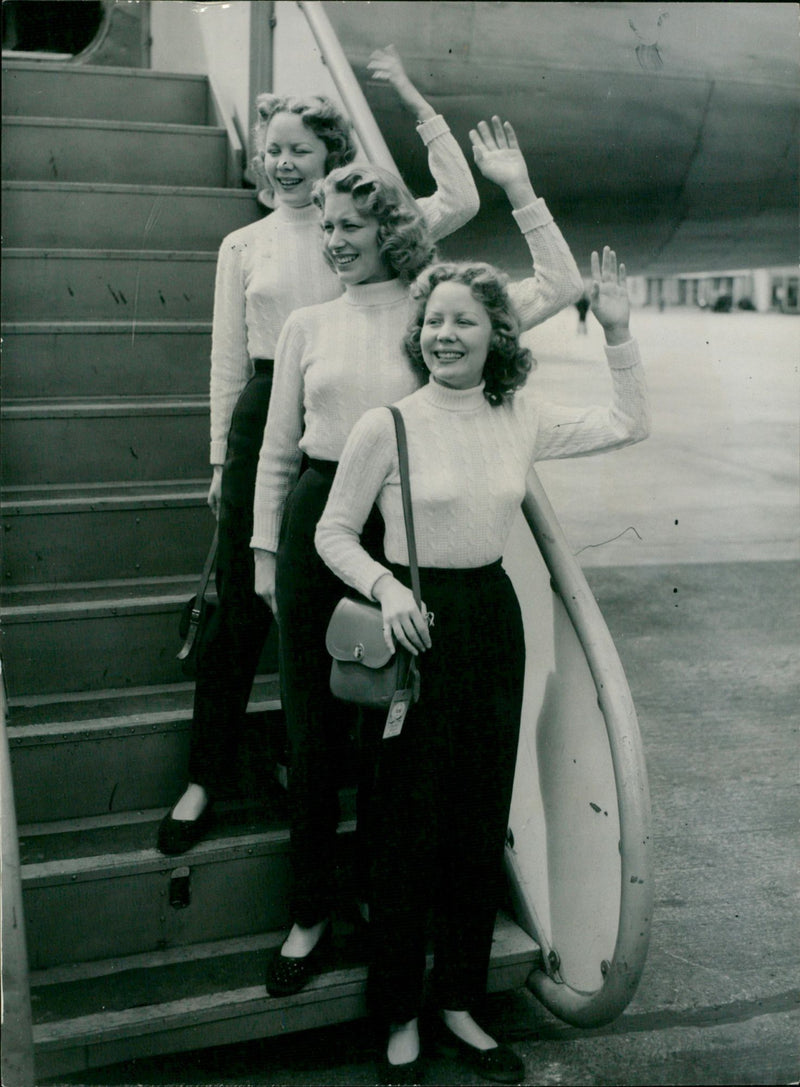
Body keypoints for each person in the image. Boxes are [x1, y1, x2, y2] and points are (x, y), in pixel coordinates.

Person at [251, 116, 584, 997]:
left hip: (404, 530)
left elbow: (556, 282)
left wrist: (518, 188)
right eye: (324, 229)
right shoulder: (306, 324)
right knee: (318, 734)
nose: (334, 242)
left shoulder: (435, 310)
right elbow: (279, 450)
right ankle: (310, 912)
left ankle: (391, 913)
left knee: (399, 744)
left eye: (350, 228)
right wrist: (259, 555)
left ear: (389, 230)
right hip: (323, 515)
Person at [314, 242, 649, 1082]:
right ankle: (398, 1009)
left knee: (474, 819)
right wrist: (387, 589)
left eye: (464, 319)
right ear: (417, 333)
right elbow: (331, 533)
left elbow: (626, 422)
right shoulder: (385, 424)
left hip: (491, 623)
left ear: (497, 333)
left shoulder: (519, 414)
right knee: (403, 830)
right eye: (433, 320)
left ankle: (458, 1001)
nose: (444, 334)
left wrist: (617, 333)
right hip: (416, 631)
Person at [157, 45, 479, 855]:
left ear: (330, 153)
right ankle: (204, 774)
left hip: (347, 419)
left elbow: (462, 196)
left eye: (299, 147)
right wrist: (217, 468)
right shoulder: (245, 244)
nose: (283, 161)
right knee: (239, 606)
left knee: (350, 598)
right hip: (267, 406)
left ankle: (340, 790)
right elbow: (227, 363)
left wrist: (410, 92)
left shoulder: (364, 219)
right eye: (272, 148)